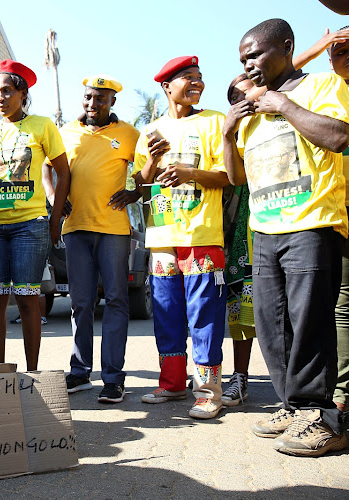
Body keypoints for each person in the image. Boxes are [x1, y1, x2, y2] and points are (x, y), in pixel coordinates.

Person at [224, 19, 349, 456]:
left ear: (286, 46)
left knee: (310, 324)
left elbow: (339, 137)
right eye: (243, 60)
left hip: (312, 224)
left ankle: (322, 418)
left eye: (255, 54)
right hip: (266, 229)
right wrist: (227, 131)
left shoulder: (320, 86)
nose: (249, 65)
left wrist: (285, 106)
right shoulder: (253, 111)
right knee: (273, 327)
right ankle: (293, 407)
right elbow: (237, 178)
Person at [134, 56, 230, 420]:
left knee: (204, 314)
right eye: (188, 77)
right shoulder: (151, 130)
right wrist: (151, 162)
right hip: (162, 234)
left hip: (202, 232)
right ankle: (172, 384)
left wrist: (191, 172)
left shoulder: (214, 121)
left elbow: (228, 176)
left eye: (199, 78)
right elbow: (142, 185)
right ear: (166, 86)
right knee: (166, 312)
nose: (197, 83)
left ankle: (208, 391)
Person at [0, 59, 70, 371]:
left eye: (7, 91)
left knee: (26, 299)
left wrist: (54, 219)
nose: (0, 97)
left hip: (29, 227)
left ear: (23, 93)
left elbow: (63, 172)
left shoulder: (42, 126)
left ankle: (32, 373)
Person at [58, 75, 140, 403]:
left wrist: (134, 193)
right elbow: (51, 167)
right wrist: (54, 196)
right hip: (76, 228)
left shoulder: (130, 134)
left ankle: (113, 378)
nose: (93, 104)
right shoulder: (65, 131)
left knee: (118, 300)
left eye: (101, 99)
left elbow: (148, 167)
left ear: (112, 102)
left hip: (114, 230)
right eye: (89, 98)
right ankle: (80, 373)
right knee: (81, 303)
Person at [221, 74, 257, 407]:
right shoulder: (230, 131)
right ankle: (240, 377)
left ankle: (295, 385)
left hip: (285, 224)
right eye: (244, 93)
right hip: (242, 232)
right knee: (240, 312)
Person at [327, 25, 349, 419]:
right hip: (339, 217)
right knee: (340, 307)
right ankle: (341, 393)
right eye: (336, 49)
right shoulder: (325, 92)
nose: (343, 54)